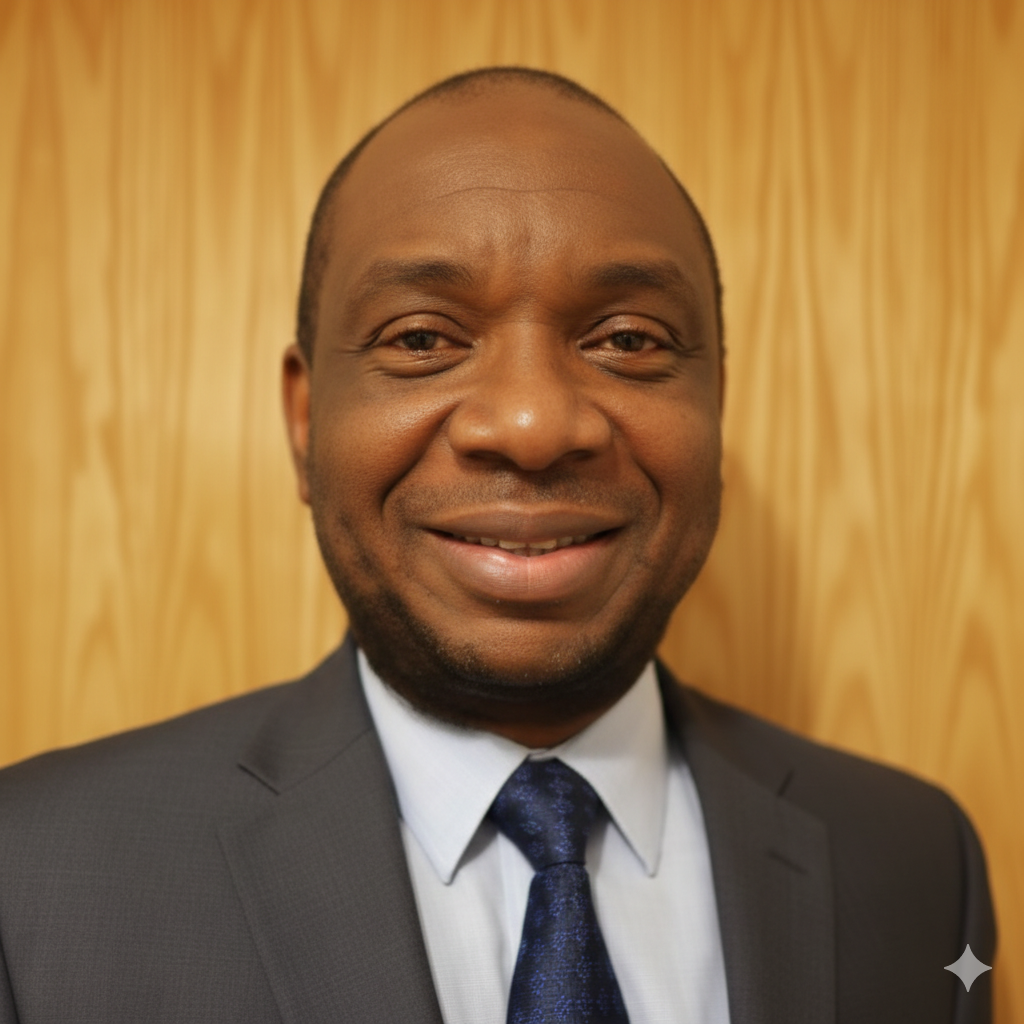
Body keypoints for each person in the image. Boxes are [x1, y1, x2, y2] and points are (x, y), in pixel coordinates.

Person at [0, 67, 995, 1024]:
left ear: (716, 403)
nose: (529, 423)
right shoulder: (34, 875)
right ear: (305, 423)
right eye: (422, 338)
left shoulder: (913, 860)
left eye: (629, 339)